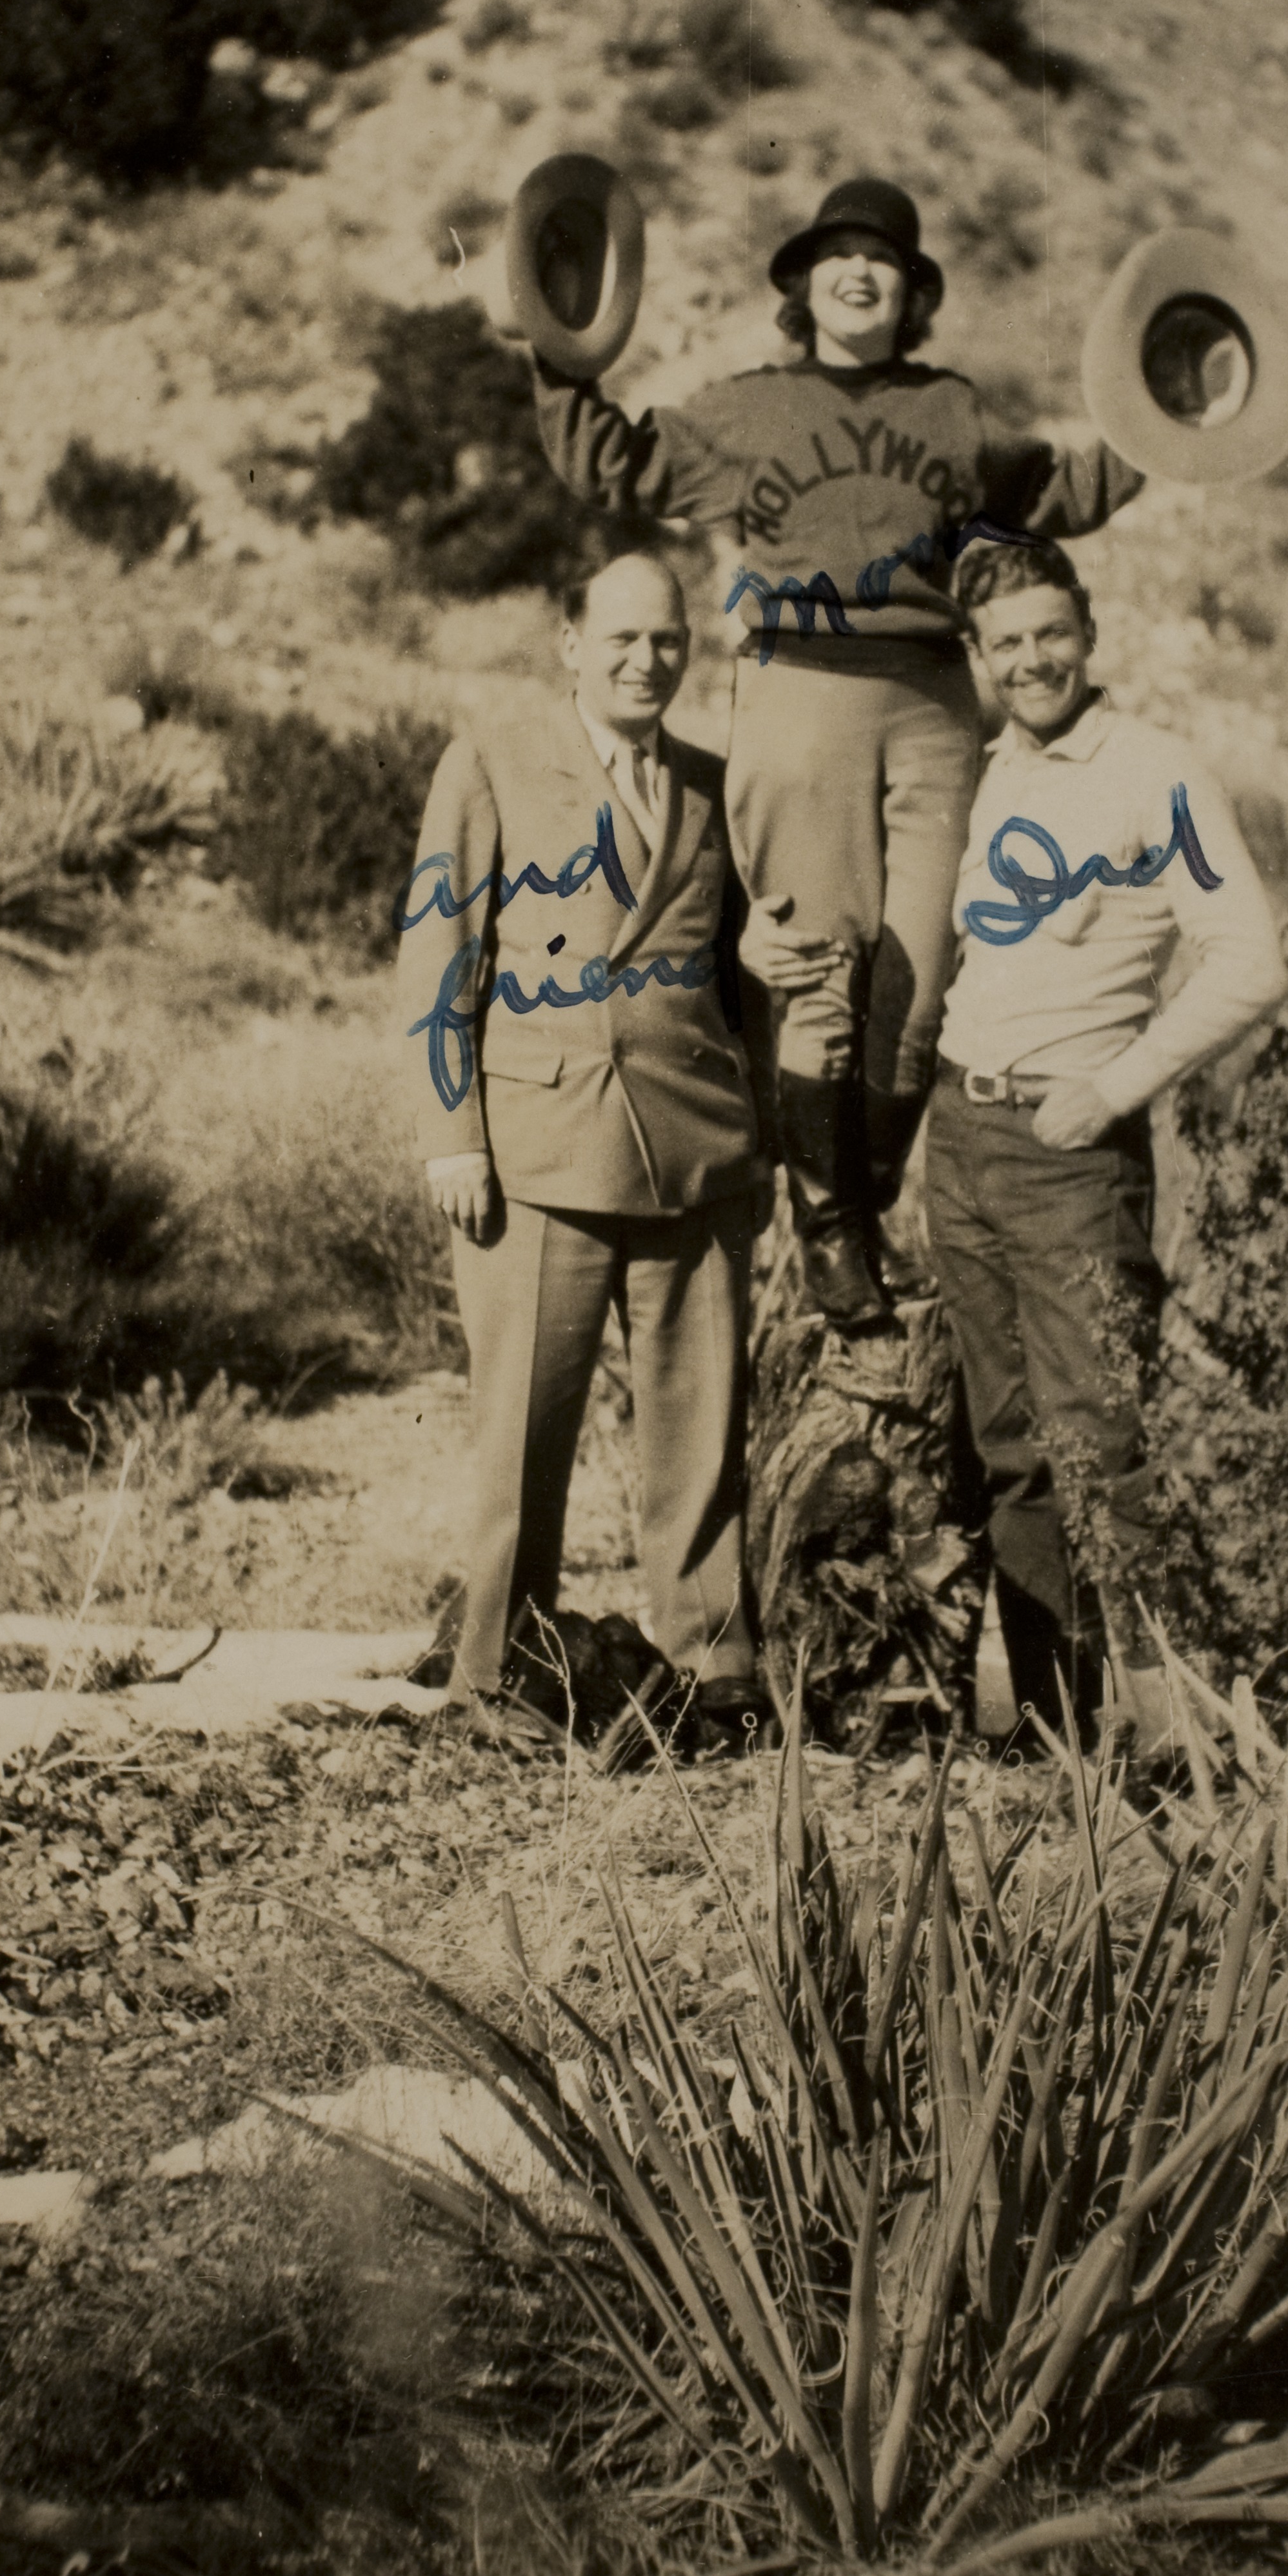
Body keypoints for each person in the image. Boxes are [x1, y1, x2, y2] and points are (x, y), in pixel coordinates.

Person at [531, 175, 1144, 1336]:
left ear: (913, 295)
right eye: (839, 257)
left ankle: (859, 1208)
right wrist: (555, 349)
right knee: (814, 969)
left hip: (930, 701)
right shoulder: (745, 410)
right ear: (805, 284)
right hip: (798, 691)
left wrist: (1160, 427)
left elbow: (1060, 491)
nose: (862, 274)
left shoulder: (953, 412)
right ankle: (828, 1232)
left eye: (887, 262)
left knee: (919, 985)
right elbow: (611, 461)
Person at [397, 540, 769, 1748]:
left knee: (700, 1431)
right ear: (571, 646)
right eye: (620, 639)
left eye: (668, 640)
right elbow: (439, 955)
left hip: (694, 1152)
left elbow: (739, 983)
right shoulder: (496, 765)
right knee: (523, 1429)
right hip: (539, 1147)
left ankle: (711, 1670)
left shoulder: (713, 787)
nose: (646, 660)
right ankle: (495, 1675)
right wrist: (454, 1132)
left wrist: (755, 1140)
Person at [924, 532, 1288, 1760]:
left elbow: (1252, 959)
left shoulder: (1154, 772)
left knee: (1106, 1446)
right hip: (962, 1138)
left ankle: (1186, 1744)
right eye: (1007, 644)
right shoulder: (984, 774)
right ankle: (1057, 1742)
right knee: (1012, 1451)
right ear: (978, 658)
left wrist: (1117, 1084)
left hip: (1069, 1149)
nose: (1033, 661)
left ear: (1089, 632)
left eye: (1052, 634)